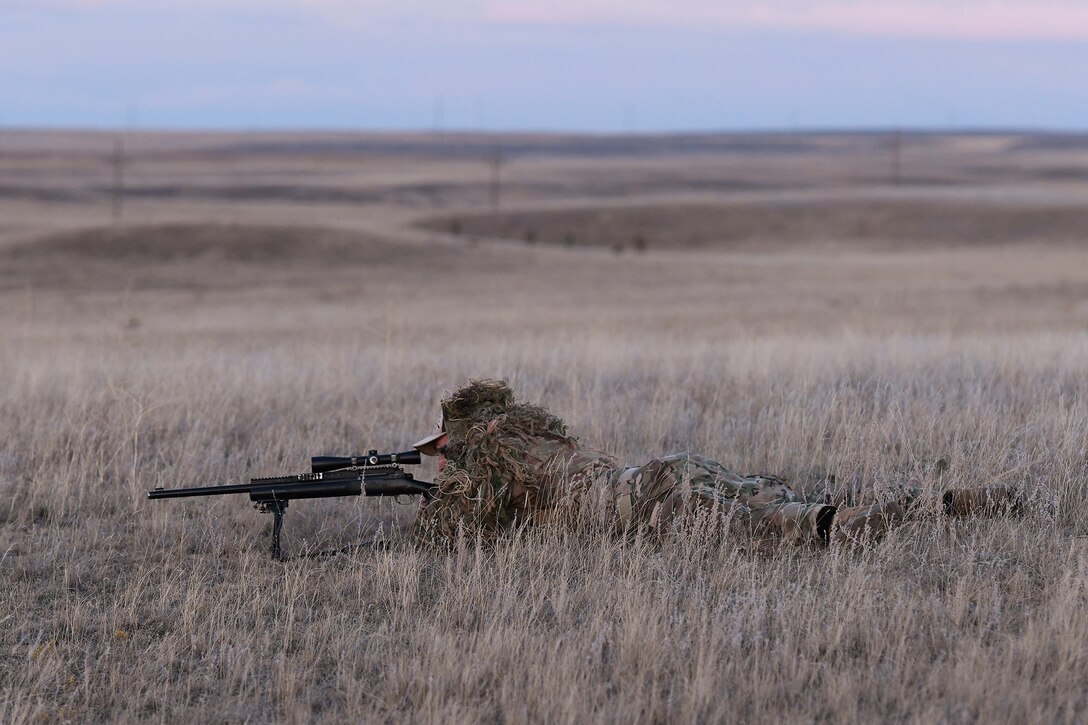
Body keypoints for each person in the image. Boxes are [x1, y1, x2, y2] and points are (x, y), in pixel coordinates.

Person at [413, 380, 1021, 545]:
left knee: (802, 533)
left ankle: (897, 517)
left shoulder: (493, 461)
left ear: (461, 438)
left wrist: (438, 492)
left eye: (441, 449)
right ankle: (943, 504)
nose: (440, 459)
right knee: (795, 508)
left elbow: (458, 535)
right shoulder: (535, 436)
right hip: (668, 470)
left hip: (653, 501)